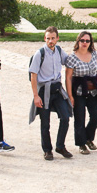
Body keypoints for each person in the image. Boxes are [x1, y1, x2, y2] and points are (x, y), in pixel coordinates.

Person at [28, 26, 72, 160]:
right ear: (44, 38)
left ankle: (60, 146)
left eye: (53, 38)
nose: (50, 41)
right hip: (44, 91)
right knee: (45, 122)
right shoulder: (39, 54)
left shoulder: (59, 50)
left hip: (57, 89)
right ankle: (47, 150)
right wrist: (36, 96)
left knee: (65, 117)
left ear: (57, 38)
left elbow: (69, 61)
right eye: (48, 38)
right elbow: (33, 75)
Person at [65, 31, 97, 155]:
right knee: (79, 118)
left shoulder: (94, 54)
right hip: (79, 91)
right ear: (78, 41)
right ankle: (81, 143)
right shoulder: (72, 58)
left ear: (90, 42)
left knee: (96, 115)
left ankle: (88, 138)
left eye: (87, 41)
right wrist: (70, 95)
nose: (85, 43)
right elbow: (68, 77)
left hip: (93, 90)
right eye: (82, 40)